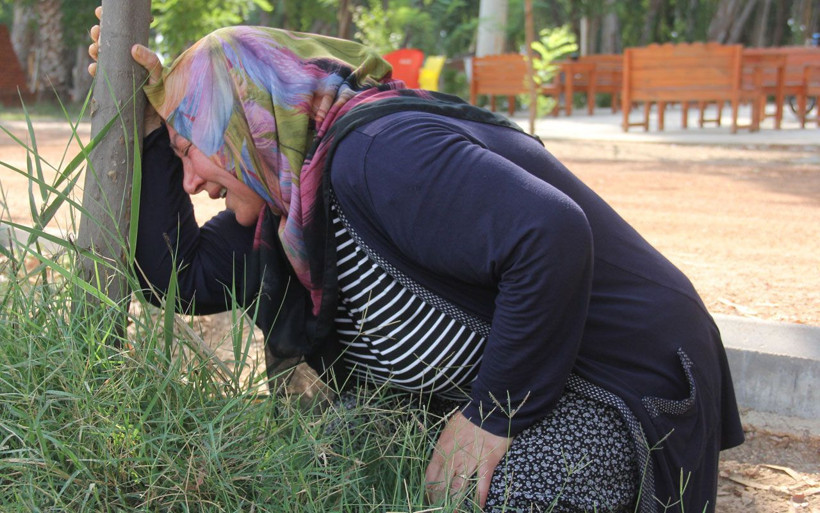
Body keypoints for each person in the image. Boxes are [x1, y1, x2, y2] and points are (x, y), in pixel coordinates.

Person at [89, 9, 743, 512]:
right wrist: (149, 135)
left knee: (496, 484)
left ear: (242, 120)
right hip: (549, 371)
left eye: (188, 147)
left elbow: (551, 235)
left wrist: (494, 415)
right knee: (331, 454)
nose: (193, 178)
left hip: (624, 371)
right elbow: (177, 278)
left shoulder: (377, 151)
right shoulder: (292, 211)